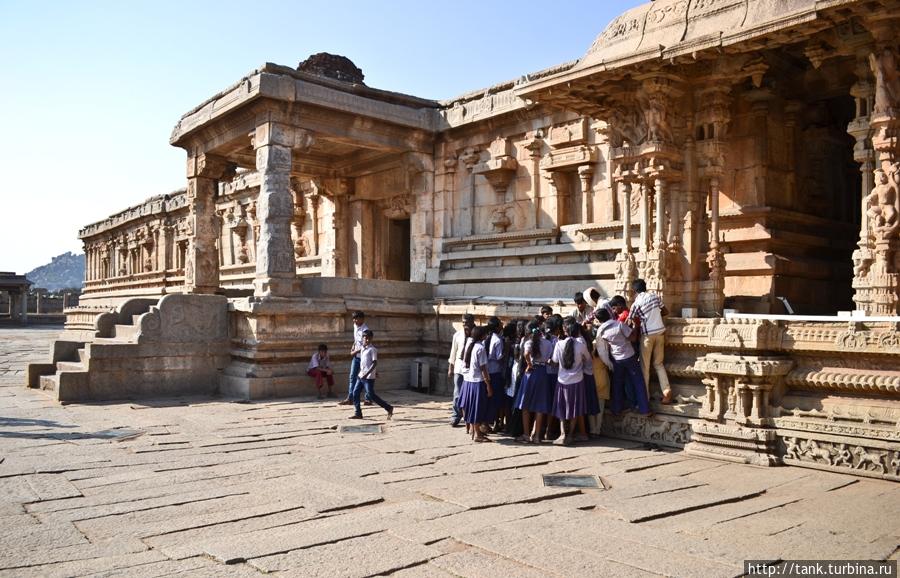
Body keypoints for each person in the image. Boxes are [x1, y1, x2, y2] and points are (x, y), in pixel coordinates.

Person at [596, 308, 651, 417]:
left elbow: (602, 349)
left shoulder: (601, 331)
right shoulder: (619, 325)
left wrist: (609, 363)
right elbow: (633, 338)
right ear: (608, 314)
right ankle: (644, 409)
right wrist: (635, 326)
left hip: (616, 360)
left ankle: (617, 409)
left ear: (599, 320)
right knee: (638, 382)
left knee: (617, 385)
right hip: (629, 356)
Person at [629, 278, 673, 404]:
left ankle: (645, 397)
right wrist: (655, 317)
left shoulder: (636, 303)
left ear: (634, 291)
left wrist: (642, 319)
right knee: (658, 364)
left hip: (647, 336)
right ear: (645, 287)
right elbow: (665, 311)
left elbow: (629, 320)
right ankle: (666, 391)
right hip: (660, 333)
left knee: (645, 368)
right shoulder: (655, 297)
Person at [550, 319, 591, 445]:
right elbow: (588, 359)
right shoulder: (581, 345)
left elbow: (555, 360)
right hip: (577, 380)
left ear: (565, 331)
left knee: (562, 408)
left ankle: (562, 434)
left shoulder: (559, 344)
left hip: (562, 381)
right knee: (575, 408)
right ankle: (571, 435)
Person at [514, 319, 554, 443]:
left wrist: (529, 364)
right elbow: (550, 358)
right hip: (543, 372)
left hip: (531, 372)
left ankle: (526, 434)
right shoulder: (548, 343)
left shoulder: (529, 342)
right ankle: (537, 436)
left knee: (525, 405)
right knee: (540, 406)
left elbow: (526, 354)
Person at [458, 326, 493, 442]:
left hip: (467, 381)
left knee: (469, 406)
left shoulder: (469, 345)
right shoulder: (480, 348)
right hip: (477, 382)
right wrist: (488, 385)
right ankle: (477, 433)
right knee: (477, 408)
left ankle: (473, 430)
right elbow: (483, 369)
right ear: (482, 336)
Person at [348, 330, 394, 420]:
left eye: (369, 338)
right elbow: (363, 361)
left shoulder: (372, 350)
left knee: (371, 395)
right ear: (363, 338)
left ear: (371, 339)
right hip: (361, 375)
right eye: (365, 338)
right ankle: (358, 413)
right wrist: (353, 348)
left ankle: (388, 407)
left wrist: (368, 373)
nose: (367, 340)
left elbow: (374, 363)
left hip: (368, 378)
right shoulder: (362, 349)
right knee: (355, 393)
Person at [448, 314, 475, 427]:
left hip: (471, 370)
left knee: (470, 394)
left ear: (472, 322)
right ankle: (456, 416)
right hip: (459, 368)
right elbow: (453, 352)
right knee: (457, 393)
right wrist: (451, 367)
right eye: (463, 322)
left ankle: (469, 417)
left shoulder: (476, 334)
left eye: (467, 322)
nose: (465, 324)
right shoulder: (457, 335)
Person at [340, 310, 371, 406]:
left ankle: (368, 398)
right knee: (352, 377)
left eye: (356, 319)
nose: (354, 321)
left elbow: (366, 344)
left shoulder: (365, 330)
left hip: (364, 357)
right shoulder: (355, 326)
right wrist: (352, 346)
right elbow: (356, 340)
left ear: (362, 319)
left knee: (366, 378)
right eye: (353, 319)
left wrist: (355, 351)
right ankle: (350, 398)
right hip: (356, 357)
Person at [486, 317, 507, 432]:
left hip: (488, 372)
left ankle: (489, 421)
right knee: (497, 399)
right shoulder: (498, 340)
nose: (502, 325)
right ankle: (495, 421)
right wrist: (507, 349)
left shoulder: (488, 338)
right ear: (497, 327)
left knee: (490, 398)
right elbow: (499, 357)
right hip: (496, 372)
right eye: (500, 324)